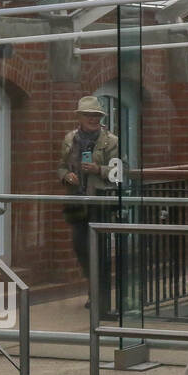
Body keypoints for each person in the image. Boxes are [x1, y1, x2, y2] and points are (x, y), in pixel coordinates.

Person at [58, 96, 121, 300]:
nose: (93, 119)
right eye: (88, 115)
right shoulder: (70, 139)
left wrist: (99, 169)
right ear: (80, 117)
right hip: (77, 201)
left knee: (100, 251)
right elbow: (61, 166)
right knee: (81, 248)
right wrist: (67, 176)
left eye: (96, 116)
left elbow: (120, 172)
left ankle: (101, 297)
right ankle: (92, 288)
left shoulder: (111, 141)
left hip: (99, 201)